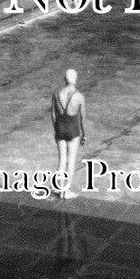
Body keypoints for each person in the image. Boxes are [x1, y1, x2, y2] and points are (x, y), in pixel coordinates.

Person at [51, 69, 86, 199]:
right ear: (75, 80)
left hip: (60, 129)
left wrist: (56, 130)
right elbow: (83, 118)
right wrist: (84, 134)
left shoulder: (56, 94)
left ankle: (59, 189)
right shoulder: (79, 96)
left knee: (62, 161)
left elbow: (53, 115)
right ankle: (66, 191)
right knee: (71, 161)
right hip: (73, 131)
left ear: (65, 79)